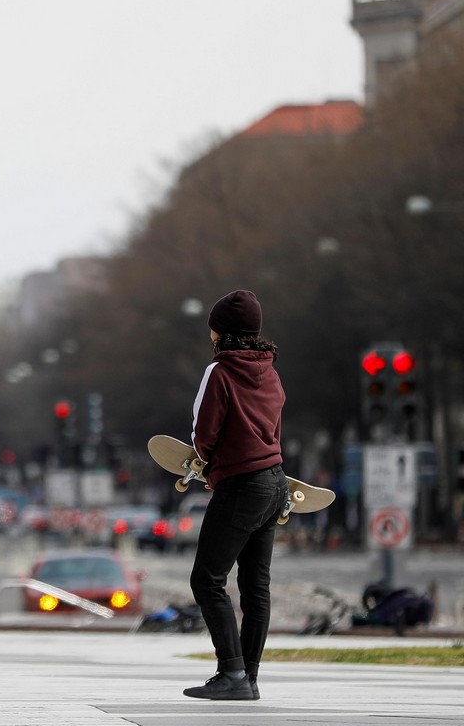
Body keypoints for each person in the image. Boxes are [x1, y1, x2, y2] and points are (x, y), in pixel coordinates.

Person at [183, 290, 287, 701]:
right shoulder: (272, 372)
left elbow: (203, 433)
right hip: (275, 480)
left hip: (242, 485)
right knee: (255, 586)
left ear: (219, 331)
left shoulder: (220, 371)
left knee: (206, 579)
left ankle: (231, 674)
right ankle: (250, 678)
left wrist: (204, 460)